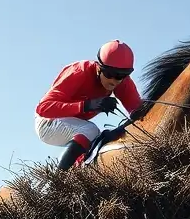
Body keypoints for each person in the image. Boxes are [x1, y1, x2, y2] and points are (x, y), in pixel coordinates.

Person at [34, 40, 142, 170]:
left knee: (99, 137)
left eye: (121, 76)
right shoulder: (79, 71)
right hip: (48, 122)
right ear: (98, 66)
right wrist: (86, 105)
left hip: (75, 125)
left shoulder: (122, 82)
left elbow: (139, 112)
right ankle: (57, 182)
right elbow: (43, 108)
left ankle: (78, 170)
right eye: (109, 74)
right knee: (91, 130)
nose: (113, 81)